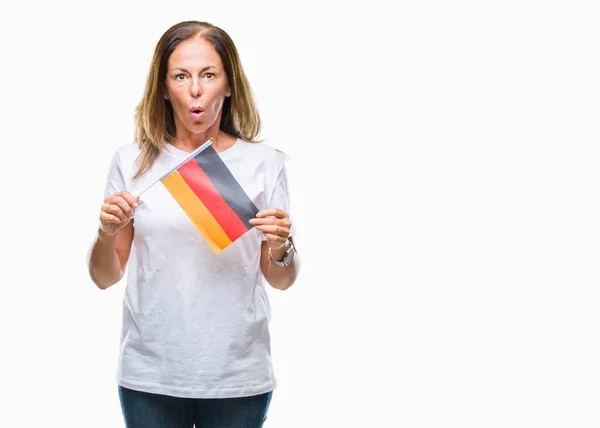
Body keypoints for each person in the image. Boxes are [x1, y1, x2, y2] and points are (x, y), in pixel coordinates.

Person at [86, 20, 300, 428]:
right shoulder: (131, 163)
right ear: (164, 87)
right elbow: (103, 277)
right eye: (181, 76)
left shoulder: (263, 164)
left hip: (238, 377)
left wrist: (280, 246)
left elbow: (282, 278)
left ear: (229, 84)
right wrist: (105, 233)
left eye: (209, 74)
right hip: (150, 374)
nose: (196, 89)